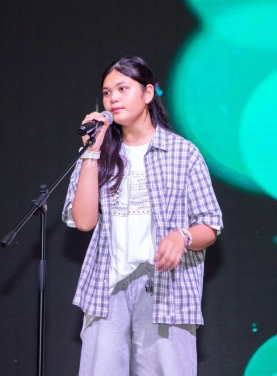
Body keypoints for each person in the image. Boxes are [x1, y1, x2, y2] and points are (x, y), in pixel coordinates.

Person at [62, 56, 223, 375]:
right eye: (107, 92)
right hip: (107, 288)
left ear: (148, 93)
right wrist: (92, 151)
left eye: (122, 88)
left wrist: (182, 236)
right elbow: (84, 221)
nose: (113, 98)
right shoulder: (97, 154)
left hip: (165, 287)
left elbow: (211, 225)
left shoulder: (183, 153)